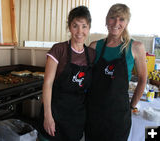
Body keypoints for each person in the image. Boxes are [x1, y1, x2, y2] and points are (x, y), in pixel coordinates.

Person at [85, 3, 147, 141]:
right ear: (107, 20)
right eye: (113, 18)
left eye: (122, 19)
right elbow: (86, 79)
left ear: (127, 22)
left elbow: (143, 79)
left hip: (118, 116)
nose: (116, 23)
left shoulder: (135, 47)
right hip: (94, 113)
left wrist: (131, 106)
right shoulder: (95, 46)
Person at [39, 6, 96, 141]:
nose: (80, 31)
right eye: (75, 26)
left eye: (84, 26)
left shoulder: (92, 54)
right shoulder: (59, 50)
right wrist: (48, 116)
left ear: (89, 28)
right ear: (69, 27)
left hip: (76, 116)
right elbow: (47, 84)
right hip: (55, 112)